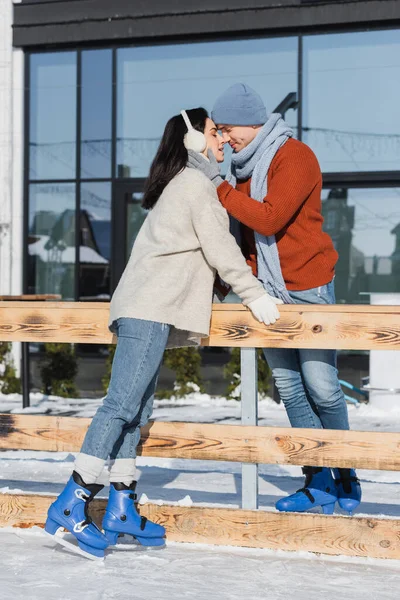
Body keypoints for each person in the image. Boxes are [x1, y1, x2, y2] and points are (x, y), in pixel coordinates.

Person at [44, 107, 283, 560]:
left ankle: (121, 507)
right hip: (148, 309)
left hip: (149, 310)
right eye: (214, 133)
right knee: (120, 405)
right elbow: (221, 248)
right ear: (194, 140)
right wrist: (254, 294)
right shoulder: (195, 185)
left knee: (136, 410)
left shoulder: (188, 184)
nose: (220, 142)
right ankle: (71, 501)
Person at [187, 84, 361, 516]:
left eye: (228, 130)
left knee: (321, 387)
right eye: (220, 132)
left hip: (308, 285)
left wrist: (218, 187)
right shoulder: (238, 169)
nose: (225, 139)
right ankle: (316, 480)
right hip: (265, 291)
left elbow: (270, 217)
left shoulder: (295, 157)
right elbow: (244, 237)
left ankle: (345, 469)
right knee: (290, 389)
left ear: (251, 121)